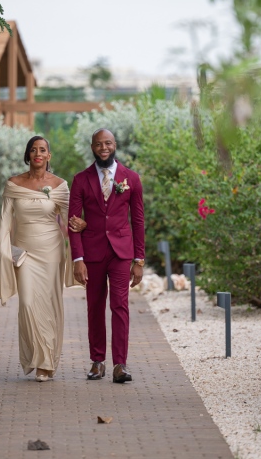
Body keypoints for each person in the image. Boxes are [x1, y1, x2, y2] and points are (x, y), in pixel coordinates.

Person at [0, 136, 86, 382]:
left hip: (51, 252)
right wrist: (4, 253)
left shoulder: (59, 186)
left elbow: (71, 222)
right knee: (26, 304)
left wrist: (82, 230)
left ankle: (46, 363)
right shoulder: (13, 184)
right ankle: (36, 356)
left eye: (43, 150)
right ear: (28, 155)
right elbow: (4, 224)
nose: (38, 153)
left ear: (49, 156)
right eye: (33, 150)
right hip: (24, 252)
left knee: (50, 305)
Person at [69, 128, 145, 384]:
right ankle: (97, 361)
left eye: (108, 143)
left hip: (122, 253)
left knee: (120, 306)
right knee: (95, 306)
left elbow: (138, 220)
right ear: (92, 147)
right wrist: (77, 259)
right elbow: (73, 222)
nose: (104, 147)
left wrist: (139, 260)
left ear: (115, 145)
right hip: (92, 253)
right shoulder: (80, 179)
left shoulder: (130, 178)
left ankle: (120, 365)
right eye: (99, 144)